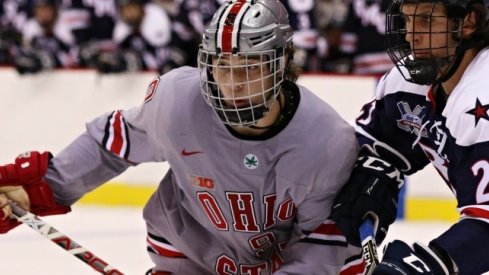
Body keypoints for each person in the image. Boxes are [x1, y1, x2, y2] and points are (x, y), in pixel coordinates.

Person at [0, 0, 364, 274]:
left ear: (282, 64)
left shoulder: (327, 142)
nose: (233, 85)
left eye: (250, 68)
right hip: (188, 254)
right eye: (223, 66)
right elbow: (113, 144)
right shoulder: (178, 101)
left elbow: (321, 243)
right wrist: (40, 187)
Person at [331, 0, 489, 273]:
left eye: (427, 20)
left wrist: (429, 265)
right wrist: (368, 186)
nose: (410, 34)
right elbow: (379, 149)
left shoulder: (481, 95)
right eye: (407, 20)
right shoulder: (409, 82)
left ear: (469, 23)